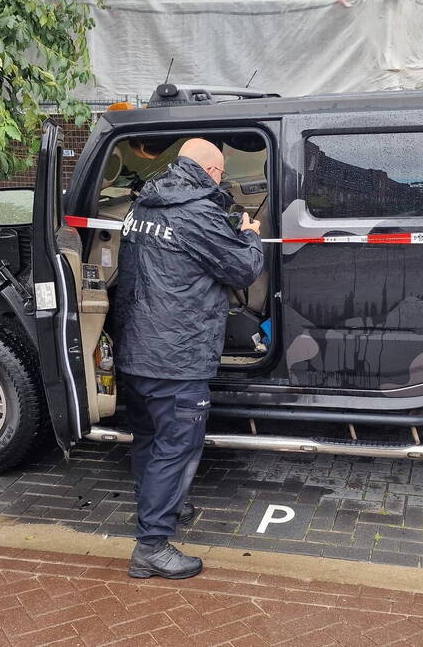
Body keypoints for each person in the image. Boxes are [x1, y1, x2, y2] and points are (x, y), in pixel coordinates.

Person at [115, 138, 263, 579]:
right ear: (211, 173)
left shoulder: (144, 205)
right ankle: (152, 546)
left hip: (137, 349)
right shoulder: (198, 213)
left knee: (148, 439)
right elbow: (241, 270)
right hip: (176, 356)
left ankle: (159, 508)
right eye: (221, 174)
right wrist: (250, 236)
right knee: (177, 447)